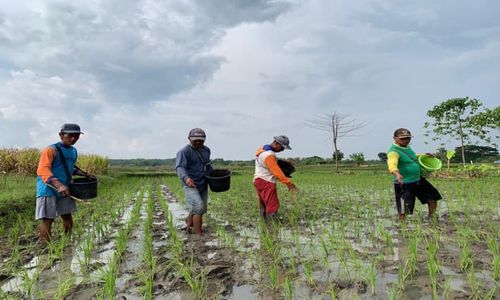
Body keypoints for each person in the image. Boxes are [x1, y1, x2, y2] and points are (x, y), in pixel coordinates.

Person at [36, 123, 86, 245]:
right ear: (61, 135)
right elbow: (43, 169)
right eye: (70, 135)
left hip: (66, 188)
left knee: (67, 216)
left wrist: (84, 174)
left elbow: (68, 168)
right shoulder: (50, 150)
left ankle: (67, 242)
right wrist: (58, 185)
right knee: (48, 219)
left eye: (76, 136)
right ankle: (45, 246)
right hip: (48, 188)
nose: (73, 139)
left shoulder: (73, 151)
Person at [387, 128, 442, 221]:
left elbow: (412, 157)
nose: (406, 140)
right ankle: (402, 226)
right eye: (403, 138)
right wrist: (397, 173)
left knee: (432, 195)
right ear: (395, 138)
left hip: (417, 179)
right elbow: (392, 164)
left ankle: (432, 217)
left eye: (408, 138)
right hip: (404, 182)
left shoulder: (406, 148)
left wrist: (424, 155)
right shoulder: (393, 151)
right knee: (404, 207)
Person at [176, 128, 213, 235]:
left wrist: (214, 174)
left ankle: (189, 221)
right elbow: (180, 167)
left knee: (203, 208)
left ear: (204, 140)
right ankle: (198, 235)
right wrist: (186, 178)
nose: (198, 142)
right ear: (189, 139)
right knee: (198, 206)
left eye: (200, 140)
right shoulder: (183, 152)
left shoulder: (206, 150)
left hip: (203, 182)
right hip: (190, 184)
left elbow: (207, 164)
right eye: (195, 140)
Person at [254, 135, 298, 222]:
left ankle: (265, 223)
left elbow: (269, 162)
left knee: (264, 203)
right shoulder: (269, 155)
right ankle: (272, 224)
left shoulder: (263, 149)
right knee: (272, 203)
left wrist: (281, 161)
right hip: (266, 181)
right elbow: (277, 172)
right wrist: (289, 183)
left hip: (258, 180)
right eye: (282, 147)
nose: (283, 150)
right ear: (276, 143)